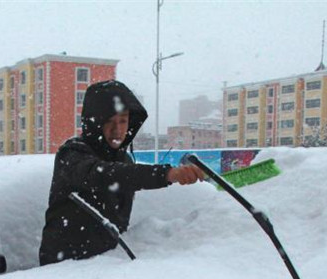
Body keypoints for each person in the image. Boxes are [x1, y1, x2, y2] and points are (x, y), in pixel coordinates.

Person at [39, 79, 206, 265]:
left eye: (123, 121)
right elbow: (104, 174)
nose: (118, 130)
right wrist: (167, 174)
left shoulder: (123, 159)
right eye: (109, 121)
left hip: (109, 262)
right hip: (63, 267)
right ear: (94, 122)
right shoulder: (71, 154)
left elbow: (123, 176)